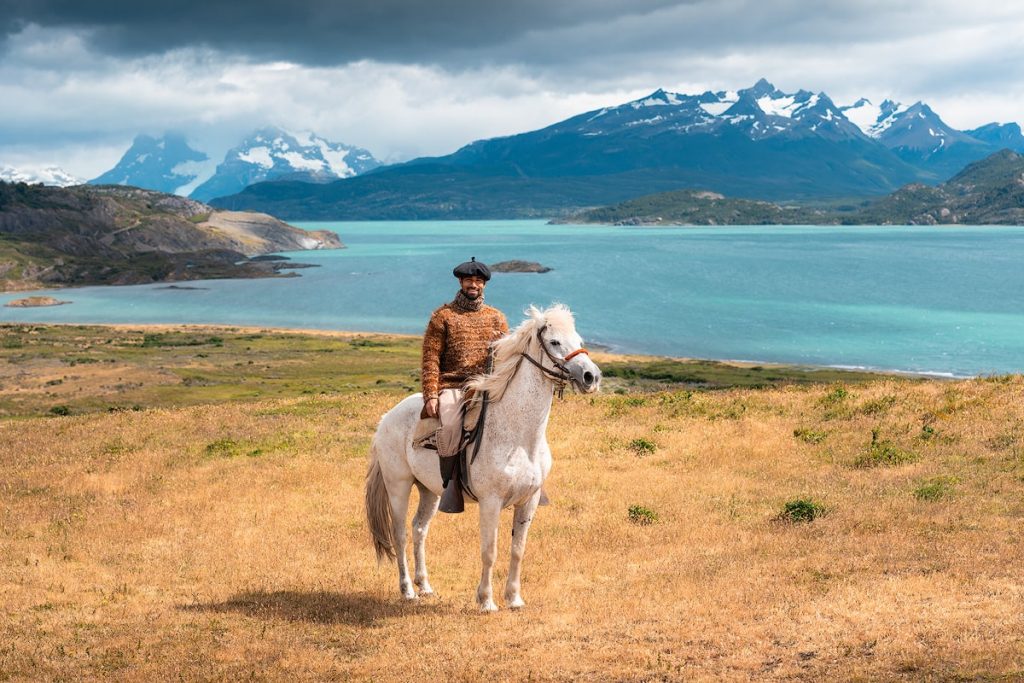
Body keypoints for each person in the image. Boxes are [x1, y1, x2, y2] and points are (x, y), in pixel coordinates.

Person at [421, 257, 509, 467]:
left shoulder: (497, 318)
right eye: (469, 280)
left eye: (478, 281)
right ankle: (450, 482)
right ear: (460, 282)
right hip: (453, 386)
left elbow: (506, 357)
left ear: (484, 284)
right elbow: (430, 358)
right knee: (451, 426)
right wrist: (431, 395)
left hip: (488, 385)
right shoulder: (443, 316)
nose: (474, 285)